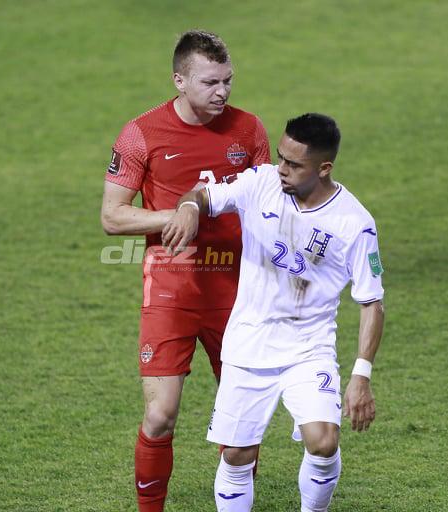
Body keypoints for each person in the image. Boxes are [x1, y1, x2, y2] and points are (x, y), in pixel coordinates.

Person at [162, 113, 385, 512]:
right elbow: (201, 195)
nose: (281, 168)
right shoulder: (260, 182)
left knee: (323, 442)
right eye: (281, 156)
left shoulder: (354, 224)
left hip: (309, 347)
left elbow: (372, 303)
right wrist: (190, 208)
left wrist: (361, 375)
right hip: (249, 342)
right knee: (237, 455)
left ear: (324, 168)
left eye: (294, 164)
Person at [100, 30, 270, 511]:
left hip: (236, 293)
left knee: (242, 424)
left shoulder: (249, 130)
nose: (222, 91)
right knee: (160, 415)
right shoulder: (141, 134)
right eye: (210, 82)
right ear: (179, 80)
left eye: (227, 80)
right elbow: (113, 217)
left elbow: (268, 203)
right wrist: (177, 215)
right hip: (170, 293)